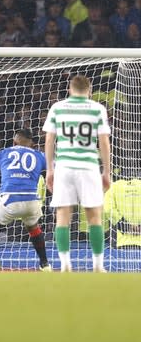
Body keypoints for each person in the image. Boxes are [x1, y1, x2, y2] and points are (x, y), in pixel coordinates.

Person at [43, 75, 111, 272]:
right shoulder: (97, 109)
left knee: (63, 216)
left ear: (70, 89)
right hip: (88, 167)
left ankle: (65, 264)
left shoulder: (58, 107)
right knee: (94, 217)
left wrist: (50, 169)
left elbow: (49, 140)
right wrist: (106, 171)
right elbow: (104, 142)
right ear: (89, 90)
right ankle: (98, 266)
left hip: (64, 167)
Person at [0, 129, 50, 272]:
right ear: (32, 144)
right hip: (33, 202)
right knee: (33, 228)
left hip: (10, 200)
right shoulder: (40, 156)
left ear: (14, 142)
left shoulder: (3, 153)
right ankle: (45, 265)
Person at [102, 176, 141, 248]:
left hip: (120, 241)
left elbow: (108, 209)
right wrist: (139, 228)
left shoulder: (114, 187)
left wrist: (126, 227)